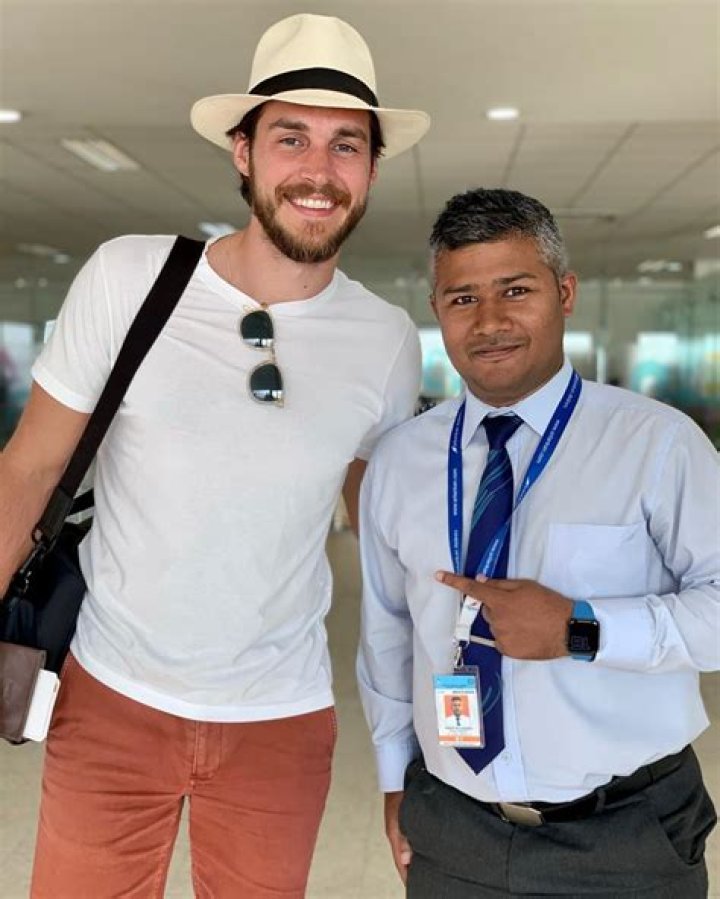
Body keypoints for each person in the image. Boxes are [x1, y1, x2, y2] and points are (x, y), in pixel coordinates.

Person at [0, 13, 430, 898]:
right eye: (290, 138)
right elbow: (28, 470)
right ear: (243, 151)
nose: (319, 169)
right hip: (110, 695)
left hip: (281, 718)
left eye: (346, 144)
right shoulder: (130, 278)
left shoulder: (386, 339)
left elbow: (382, 537)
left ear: (372, 168)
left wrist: (412, 745)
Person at [357, 187, 719, 898]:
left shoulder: (658, 444)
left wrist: (579, 629)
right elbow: (386, 632)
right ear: (437, 310)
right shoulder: (400, 461)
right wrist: (394, 777)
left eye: (515, 290)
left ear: (565, 293)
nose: (490, 321)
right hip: (453, 828)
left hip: (625, 833)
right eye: (463, 298)